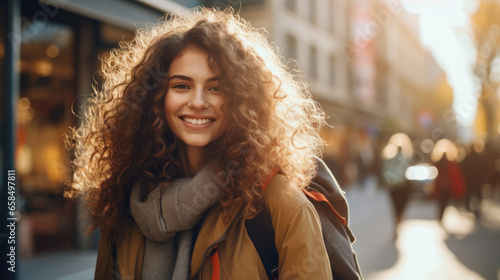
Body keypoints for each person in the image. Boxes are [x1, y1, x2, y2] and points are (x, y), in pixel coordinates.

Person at [65, 7, 339, 279]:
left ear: (243, 100)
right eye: (181, 86)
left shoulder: (279, 203)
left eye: (215, 88)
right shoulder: (126, 202)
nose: (197, 102)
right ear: (156, 98)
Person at [381, 145, 412, 238]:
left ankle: (397, 224)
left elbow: (384, 171)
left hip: (393, 187)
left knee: (395, 207)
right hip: (403, 187)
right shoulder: (405, 159)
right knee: (400, 208)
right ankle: (398, 222)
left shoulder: (390, 160)